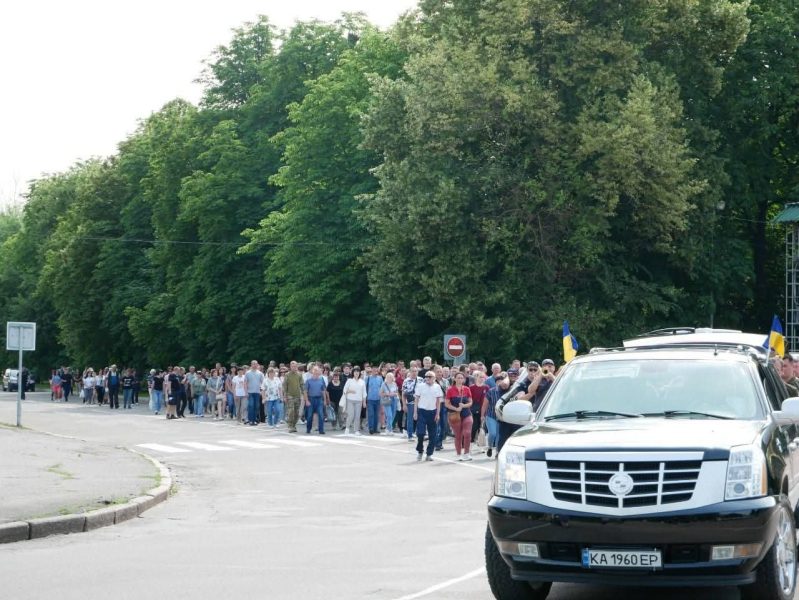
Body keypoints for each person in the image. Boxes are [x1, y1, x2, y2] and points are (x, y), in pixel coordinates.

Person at [414, 370, 443, 461]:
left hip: (433, 412)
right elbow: (416, 399)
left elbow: (438, 402)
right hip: (422, 411)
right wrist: (415, 412)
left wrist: (437, 414)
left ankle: (429, 454)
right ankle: (420, 451)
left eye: (430, 377)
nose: (427, 378)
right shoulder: (420, 386)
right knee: (420, 433)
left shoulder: (437, 387)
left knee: (433, 435)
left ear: (434, 378)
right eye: (426, 376)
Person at [445, 372, 474, 460]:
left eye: (462, 378)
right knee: (458, 435)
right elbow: (447, 404)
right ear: (455, 379)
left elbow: (470, 402)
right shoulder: (450, 390)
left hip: (466, 413)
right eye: (458, 378)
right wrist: (456, 408)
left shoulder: (466, 389)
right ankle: (458, 454)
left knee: (467, 433)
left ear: (464, 380)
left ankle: (467, 453)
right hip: (455, 415)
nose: (460, 379)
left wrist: (464, 406)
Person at [482, 372, 507, 457]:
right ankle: (489, 447)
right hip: (491, 415)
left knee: (499, 435)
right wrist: (482, 415)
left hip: (502, 416)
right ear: (495, 382)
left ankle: (497, 451)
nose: (500, 383)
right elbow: (485, 404)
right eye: (498, 381)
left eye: (502, 381)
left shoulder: (507, 392)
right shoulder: (491, 391)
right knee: (492, 433)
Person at [304, 366, 328, 434]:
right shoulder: (308, 381)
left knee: (321, 414)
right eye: (315, 372)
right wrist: (306, 400)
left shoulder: (321, 380)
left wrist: (325, 400)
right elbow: (305, 391)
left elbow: (323, 391)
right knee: (309, 416)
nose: (316, 374)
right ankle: (308, 429)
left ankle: (321, 430)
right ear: (312, 372)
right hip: (311, 399)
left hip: (319, 399)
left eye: (318, 372)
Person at [342, 367, 366, 435]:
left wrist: (364, 402)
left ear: (359, 373)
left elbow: (364, 393)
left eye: (358, 372)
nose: (356, 373)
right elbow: (344, 390)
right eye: (355, 372)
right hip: (350, 400)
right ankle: (347, 428)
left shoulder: (362, 382)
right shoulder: (349, 380)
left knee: (357, 416)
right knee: (351, 415)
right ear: (353, 373)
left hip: (359, 401)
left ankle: (356, 430)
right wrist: (350, 391)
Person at [283, 361, 304, 433]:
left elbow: (302, 385)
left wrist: (304, 394)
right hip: (290, 395)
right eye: (293, 366)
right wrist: (285, 396)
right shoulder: (287, 375)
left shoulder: (299, 375)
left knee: (296, 412)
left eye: (295, 366)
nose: (294, 367)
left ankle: (294, 425)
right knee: (291, 411)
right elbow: (284, 386)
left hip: (297, 395)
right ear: (290, 367)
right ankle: (290, 426)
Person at [469, 371, 489, 444]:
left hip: (483, 409)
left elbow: (487, 399)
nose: (481, 379)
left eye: (483, 377)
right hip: (473, 409)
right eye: (480, 377)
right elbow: (469, 398)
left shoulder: (486, 387)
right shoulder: (471, 387)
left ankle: (480, 442)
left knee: (481, 427)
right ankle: (471, 441)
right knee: (474, 425)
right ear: (476, 378)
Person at [245, 360, 264, 426]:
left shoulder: (260, 373)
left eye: (255, 364)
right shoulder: (247, 373)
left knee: (256, 406)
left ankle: (255, 420)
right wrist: (246, 392)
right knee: (251, 405)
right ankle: (251, 420)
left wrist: (262, 391)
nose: (254, 365)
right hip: (250, 392)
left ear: (257, 365)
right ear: (251, 365)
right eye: (253, 364)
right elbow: (245, 383)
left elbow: (263, 383)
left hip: (257, 392)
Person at [402, 366, 418, 441]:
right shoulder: (406, 381)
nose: (414, 373)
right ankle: (410, 435)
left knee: (420, 419)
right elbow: (403, 394)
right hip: (410, 403)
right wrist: (404, 404)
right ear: (410, 372)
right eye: (413, 371)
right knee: (410, 419)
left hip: (420, 403)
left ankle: (419, 433)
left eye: (415, 371)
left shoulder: (421, 380)